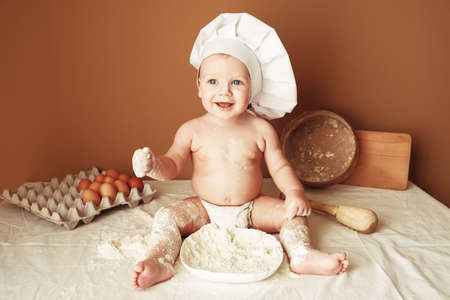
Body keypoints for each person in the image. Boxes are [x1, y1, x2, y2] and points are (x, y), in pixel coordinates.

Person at [131, 13, 349, 289]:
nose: (224, 91)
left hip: (251, 208)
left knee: (293, 215)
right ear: (199, 87)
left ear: (252, 89)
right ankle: (159, 261)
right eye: (213, 82)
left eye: (236, 82)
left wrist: (294, 193)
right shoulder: (192, 130)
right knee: (166, 217)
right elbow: (172, 164)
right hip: (204, 209)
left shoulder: (260, 129)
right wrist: (152, 166)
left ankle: (302, 255)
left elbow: (280, 167)